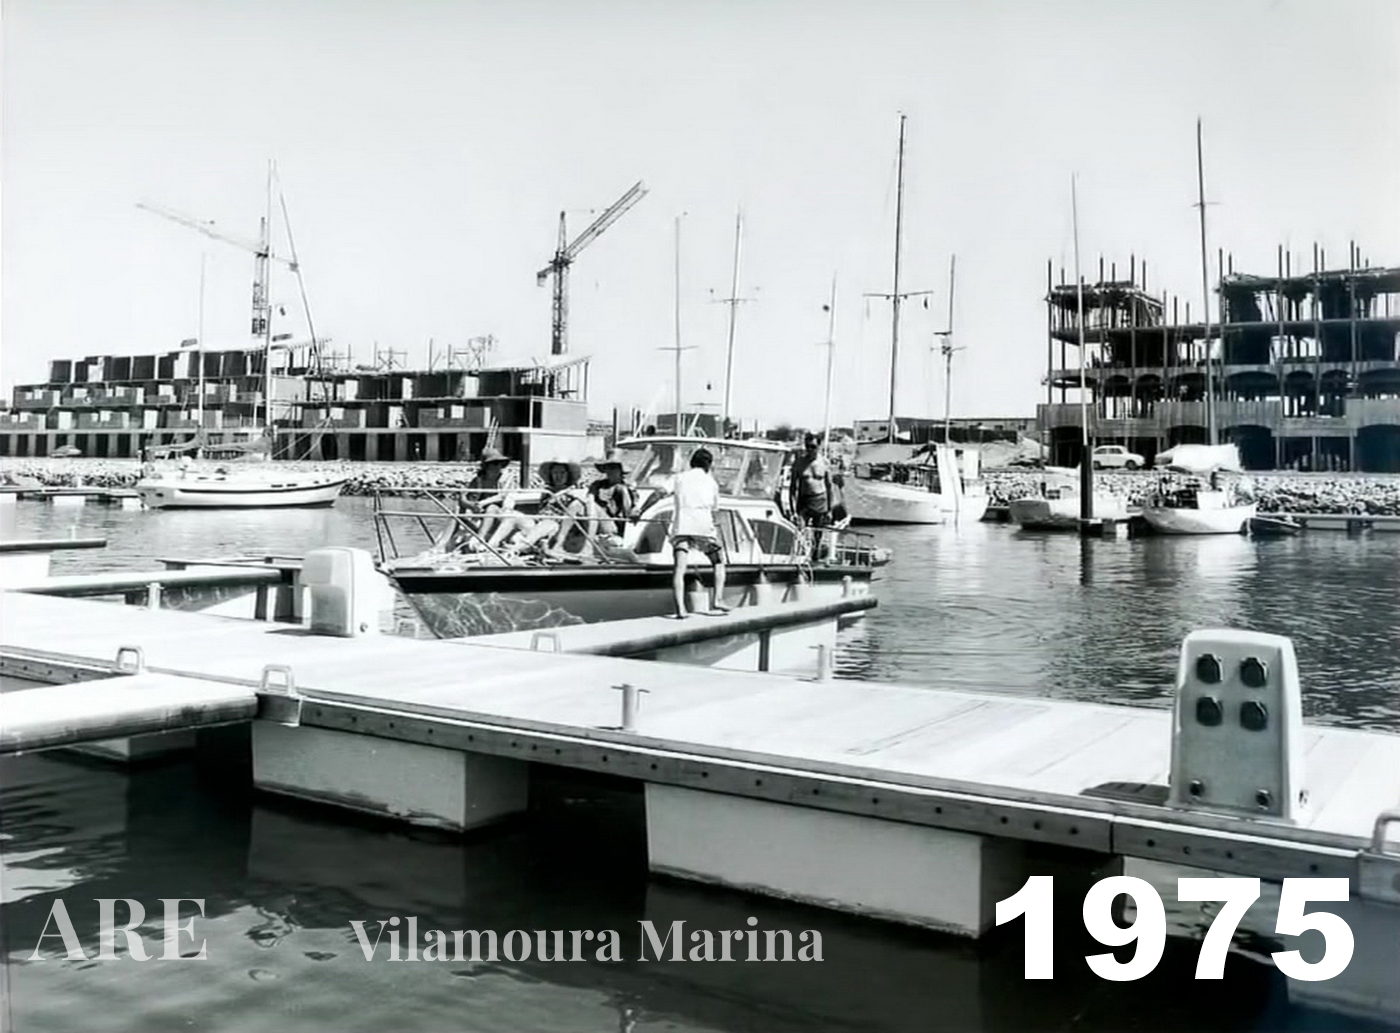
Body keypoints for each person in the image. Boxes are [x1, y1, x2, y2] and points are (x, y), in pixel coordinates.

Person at [669, 447, 728, 618]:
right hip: (703, 528)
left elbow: (659, 493)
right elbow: (715, 508)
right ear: (709, 465)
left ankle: (680, 609)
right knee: (718, 561)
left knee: (679, 568)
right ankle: (717, 600)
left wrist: (640, 510)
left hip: (682, 527)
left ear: (691, 462)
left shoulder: (679, 478)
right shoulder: (711, 483)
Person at [788, 434, 833, 528]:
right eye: (807, 446)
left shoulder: (824, 463)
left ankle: (817, 543)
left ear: (819, 447)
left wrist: (830, 510)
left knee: (818, 532)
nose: (810, 449)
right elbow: (792, 488)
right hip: (804, 501)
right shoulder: (799, 463)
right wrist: (793, 511)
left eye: (813, 447)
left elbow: (829, 487)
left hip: (820, 500)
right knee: (800, 531)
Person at [588, 452, 637, 538]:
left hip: (613, 525)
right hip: (593, 520)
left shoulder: (623, 489)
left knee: (593, 506)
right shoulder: (597, 485)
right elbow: (589, 500)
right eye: (608, 468)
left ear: (620, 470)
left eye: (614, 468)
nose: (611, 471)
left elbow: (628, 511)